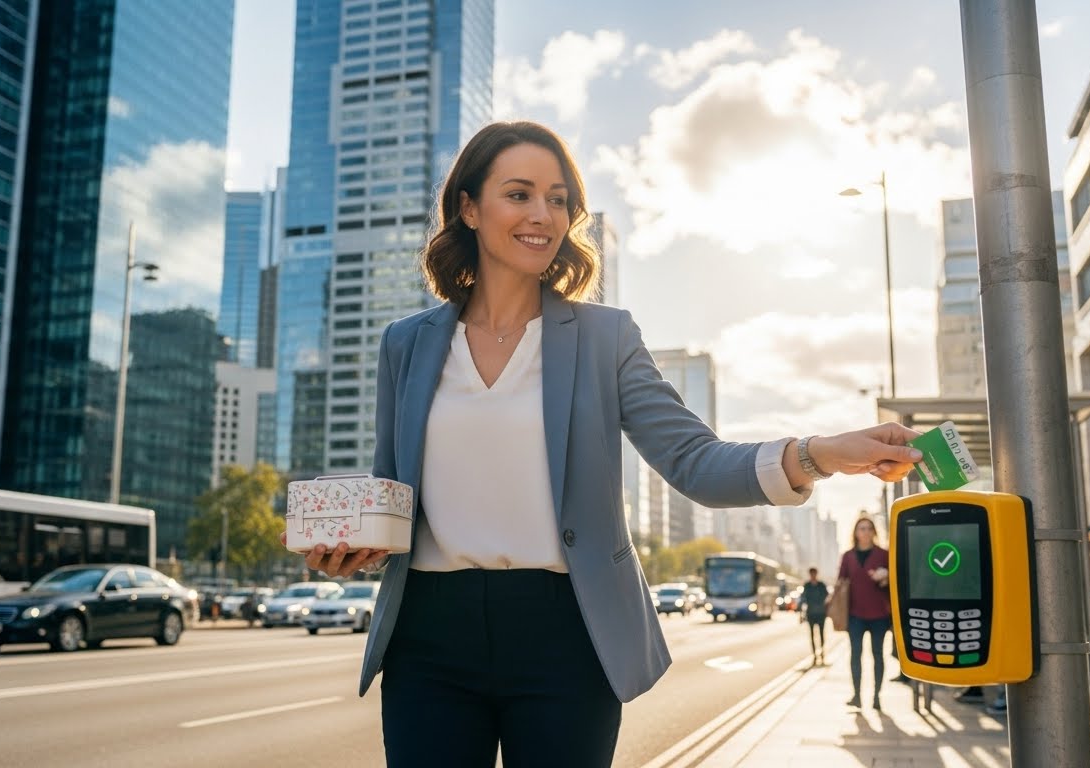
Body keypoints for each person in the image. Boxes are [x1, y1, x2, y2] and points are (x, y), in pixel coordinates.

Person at [293, 120, 923, 767]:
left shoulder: (605, 337)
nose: (542, 214)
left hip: (566, 633)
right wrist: (353, 548)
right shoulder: (406, 343)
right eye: (519, 194)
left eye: (558, 199)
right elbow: (392, 496)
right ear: (469, 208)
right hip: (429, 636)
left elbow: (695, 461)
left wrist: (820, 453)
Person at [838, 515, 891, 711]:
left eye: (869, 528)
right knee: (855, 656)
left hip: (879, 615)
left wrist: (885, 577)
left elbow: (894, 582)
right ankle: (857, 696)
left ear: (874, 532)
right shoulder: (848, 556)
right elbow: (841, 582)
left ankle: (877, 697)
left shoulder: (883, 554)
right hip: (855, 615)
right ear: (855, 532)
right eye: (862, 528)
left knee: (878, 655)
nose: (866, 532)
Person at [801, 567, 830, 665]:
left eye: (814, 573)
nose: (813, 575)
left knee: (821, 634)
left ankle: (822, 653)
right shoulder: (807, 585)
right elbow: (803, 599)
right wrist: (801, 613)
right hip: (811, 613)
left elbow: (827, 597)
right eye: (811, 574)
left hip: (821, 613)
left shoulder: (821, 585)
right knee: (812, 635)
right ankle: (814, 655)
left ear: (816, 574)